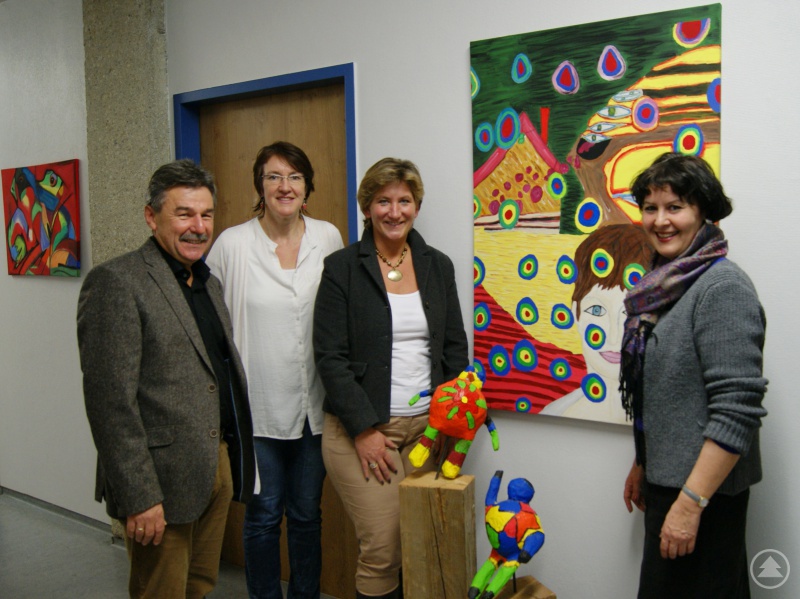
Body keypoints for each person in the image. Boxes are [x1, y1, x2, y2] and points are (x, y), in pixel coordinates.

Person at [77, 159, 256, 598]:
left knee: (199, 587)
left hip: (212, 467)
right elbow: (110, 403)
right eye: (184, 214)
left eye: (206, 214)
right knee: (161, 592)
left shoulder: (207, 284)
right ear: (151, 216)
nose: (198, 226)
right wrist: (139, 496)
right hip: (157, 481)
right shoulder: (117, 282)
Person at [313, 157, 469, 599]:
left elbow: (454, 349)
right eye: (383, 201)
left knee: (426, 539)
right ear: (367, 207)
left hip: (427, 431)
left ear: (417, 206)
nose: (394, 211)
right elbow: (330, 358)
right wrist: (364, 430)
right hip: (361, 429)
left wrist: (449, 421)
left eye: (404, 200)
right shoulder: (341, 268)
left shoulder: (438, 266)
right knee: (383, 548)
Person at [620, 153, 768, 598]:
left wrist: (689, 505)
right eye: (651, 208)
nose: (660, 220)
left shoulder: (722, 288)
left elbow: (736, 410)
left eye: (675, 207)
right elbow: (672, 391)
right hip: (670, 484)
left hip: (704, 497)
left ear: (703, 212)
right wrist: (644, 460)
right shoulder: (668, 284)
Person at [206, 141, 343, 599]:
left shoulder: (328, 237)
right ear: (259, 187)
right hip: (256, 412)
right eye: (273, 177)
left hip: (314, 408)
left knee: (307, 515)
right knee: (263, 517)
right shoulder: (232, 244)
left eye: (295, 177)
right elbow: (208, 325)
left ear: (307, 188)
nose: (285, 186)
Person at [540, 224, 653, 424]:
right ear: (575, 313)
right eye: (597, 311)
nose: (614, 335)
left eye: (630, 313)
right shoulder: (555, 414)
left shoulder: (669, 423)